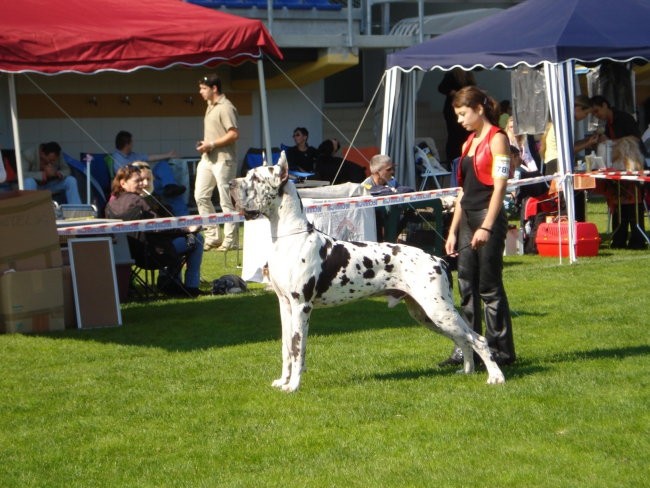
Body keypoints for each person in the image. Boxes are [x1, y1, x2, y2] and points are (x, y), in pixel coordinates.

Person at [439, 85, 516, 368]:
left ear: (479, 109)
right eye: (457, 115)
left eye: (462, 114)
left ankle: (501, 351)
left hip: (487, 218)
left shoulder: (498, 139)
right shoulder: (468, 142)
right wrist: (453, 230)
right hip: (468, 219)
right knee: (465, 286)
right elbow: (462, 192)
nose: (459, 120)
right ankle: (467, 348)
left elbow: (500, 188)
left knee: (490, 287)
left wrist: (486, 226)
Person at [105, 165, 204, 297]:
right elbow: (159, 226)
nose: (142, 184)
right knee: (197, 240)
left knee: (177, 239)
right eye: (137, 181)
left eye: (142, 180)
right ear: (123, 183)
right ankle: (190, 286)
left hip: (127, 255)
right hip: (153, 254)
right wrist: (187, 229)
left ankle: (171, 280)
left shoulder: (110, 204)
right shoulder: (138, 201)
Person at [195, 73, 240, 252]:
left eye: (203, 88)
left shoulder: (226, 107)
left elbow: (234, 134)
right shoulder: (210, 105)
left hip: (224, 160)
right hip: (207, 159)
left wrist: (212, 143)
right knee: (200, 196)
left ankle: (231, 240)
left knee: (226, 201)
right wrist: (206, 144)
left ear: (214, 89)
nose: (200, 92)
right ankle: (213, 236)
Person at [111, 130, 187, 215]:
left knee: (162, 165)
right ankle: (171, 191)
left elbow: (150, 157)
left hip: (147, 182)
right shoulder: (116, 158)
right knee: (172, 195)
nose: (133, 144)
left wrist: (168, 155)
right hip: (137, 185)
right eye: (131, 142)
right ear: (127, 144)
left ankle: (170, 186)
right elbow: (123, 177)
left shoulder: (133, 155)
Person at [593, 136, 647, 249]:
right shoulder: (636, 159)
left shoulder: (620, 159)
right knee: (629, 215)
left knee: (625, 216)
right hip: (629, 196)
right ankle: (631, 240)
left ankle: (621, 240)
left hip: (626, 196)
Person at [438, 68, 476, 166]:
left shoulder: (468, 74)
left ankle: (465, 159)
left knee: (465, 135)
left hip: (465, 108)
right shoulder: (452, 74)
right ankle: (453, 161)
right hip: (453, 109)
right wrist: (455, 93)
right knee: (454, 136)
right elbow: (442, 88)